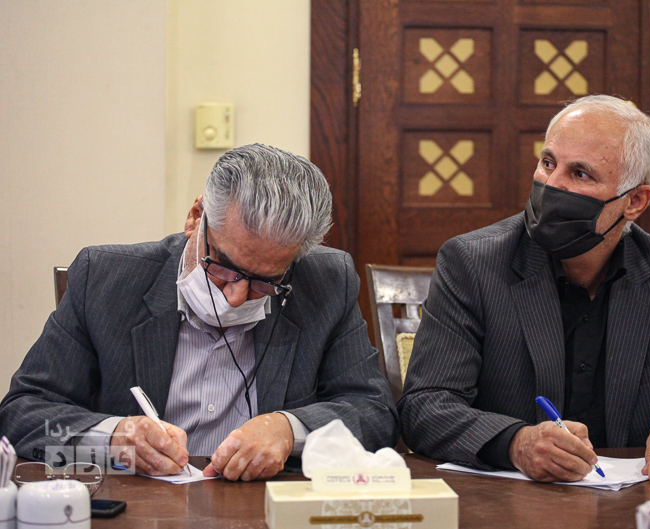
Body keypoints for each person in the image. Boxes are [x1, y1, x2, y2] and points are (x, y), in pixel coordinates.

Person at [397, 95, 650, 483]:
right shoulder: (473, 263)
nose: (552, 184)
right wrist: (515, 443)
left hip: (634, 502)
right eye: (548, 163)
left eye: (580, 174)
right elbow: (424, 406)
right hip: (511, 503)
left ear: (635, 201)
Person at [0, 144, 398, 481]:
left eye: (265, 281)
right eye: (222, 266)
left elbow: (375, 412)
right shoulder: (104, 279)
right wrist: (113, 437)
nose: (237, 296)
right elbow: (22, 414)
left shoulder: (326, 282)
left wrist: (289, 430)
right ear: (196, 218)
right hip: (141, 510)